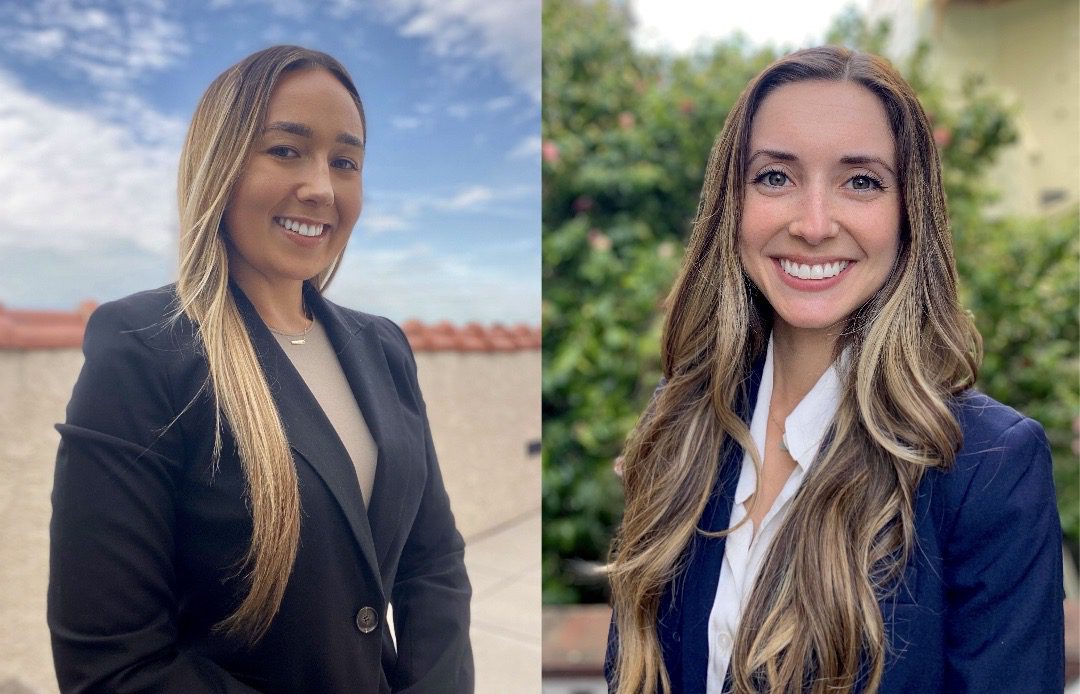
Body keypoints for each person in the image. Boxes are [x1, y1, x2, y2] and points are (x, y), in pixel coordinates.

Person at [605, 46, 1064, 693]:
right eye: (775, 177)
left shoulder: (987, 469)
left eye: (861, 181)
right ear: (731, 204)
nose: (814, 224)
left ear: (909, 214)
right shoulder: (683, 423)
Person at [48, 45, 473, 693]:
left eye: (346, 162)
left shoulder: (384, 347)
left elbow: (433, 563)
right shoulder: (142, 350)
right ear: (220, 165)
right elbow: (114, 665)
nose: (321, 187)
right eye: (285, 150)